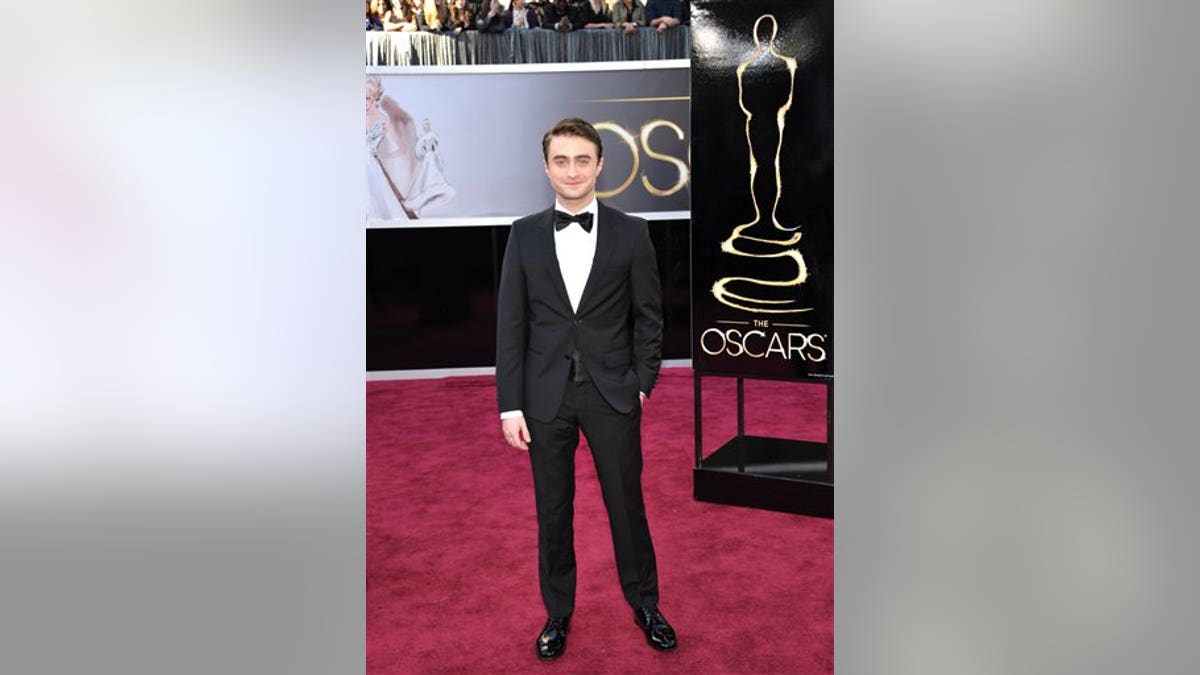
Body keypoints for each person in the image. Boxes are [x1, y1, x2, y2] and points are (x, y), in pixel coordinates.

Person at [496, 118, 677, 660]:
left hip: (612, 393)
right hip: (544, 396)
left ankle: (645, 603)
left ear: (600, 165)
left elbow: (650, 317)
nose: (571, 171)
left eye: (582, 160)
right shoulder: (524, 233)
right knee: (553, 510)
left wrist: (642, 383)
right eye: (561, 161)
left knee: (627, 505)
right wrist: (510, 405)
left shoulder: (632, 232)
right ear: (546, 167)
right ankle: (558, 613)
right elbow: (511, 325)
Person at [405, 118, 456, 216]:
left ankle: (431, 192)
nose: (426, 126)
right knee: (423, 177)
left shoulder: (432, 136)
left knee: (432, 174)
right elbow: (419, 152)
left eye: (427, 124)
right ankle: (420, 203)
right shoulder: (422, 138)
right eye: (424, 125)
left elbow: (437, 149)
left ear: (429, 125)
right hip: (427, 159)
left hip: (432, 157)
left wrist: (440, 160)